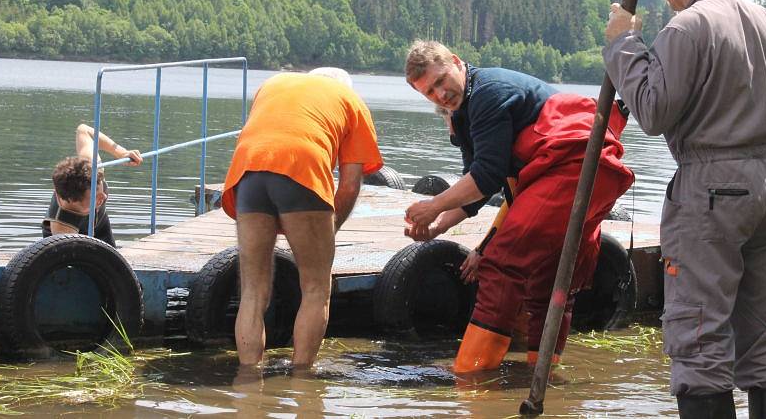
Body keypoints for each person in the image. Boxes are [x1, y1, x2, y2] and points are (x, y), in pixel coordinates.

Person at [603, 0, 766, 419]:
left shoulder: (688, 26)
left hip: (712, 187)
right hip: (765, 184)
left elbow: (653, 111)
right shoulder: (764, 20)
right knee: (764, 336)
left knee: (697, 335)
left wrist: (622, 45)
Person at [403, 40, 634, 373]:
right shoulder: (464, 112)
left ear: (455, 61)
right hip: (592, 171)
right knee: (549, 280)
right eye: (429, 92)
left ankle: (471, 378)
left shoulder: (486, 93)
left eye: (440, 81)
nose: (439, 94)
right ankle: (539, 377)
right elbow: (478, 187)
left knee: (500, 264)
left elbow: (486, 176)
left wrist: (434, 204)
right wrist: (438, 226)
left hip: (573, 166)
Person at [221, 67, 383, 368]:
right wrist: (328, 230)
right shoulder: (351, 100)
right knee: (316, 288)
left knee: (253, 292)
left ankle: (247, 378)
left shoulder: (273, 83)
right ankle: (302, 380)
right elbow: (349, 184)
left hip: (247, 171)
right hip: (301, 167)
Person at [42, 124, 142, 247]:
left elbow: (83, 130)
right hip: (72, 236)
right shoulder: (62, 227)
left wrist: (121, 152)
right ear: (61, 199)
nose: (104, 197)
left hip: (99, 224)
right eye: (95, 198)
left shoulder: (92, 168)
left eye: (100, 190)